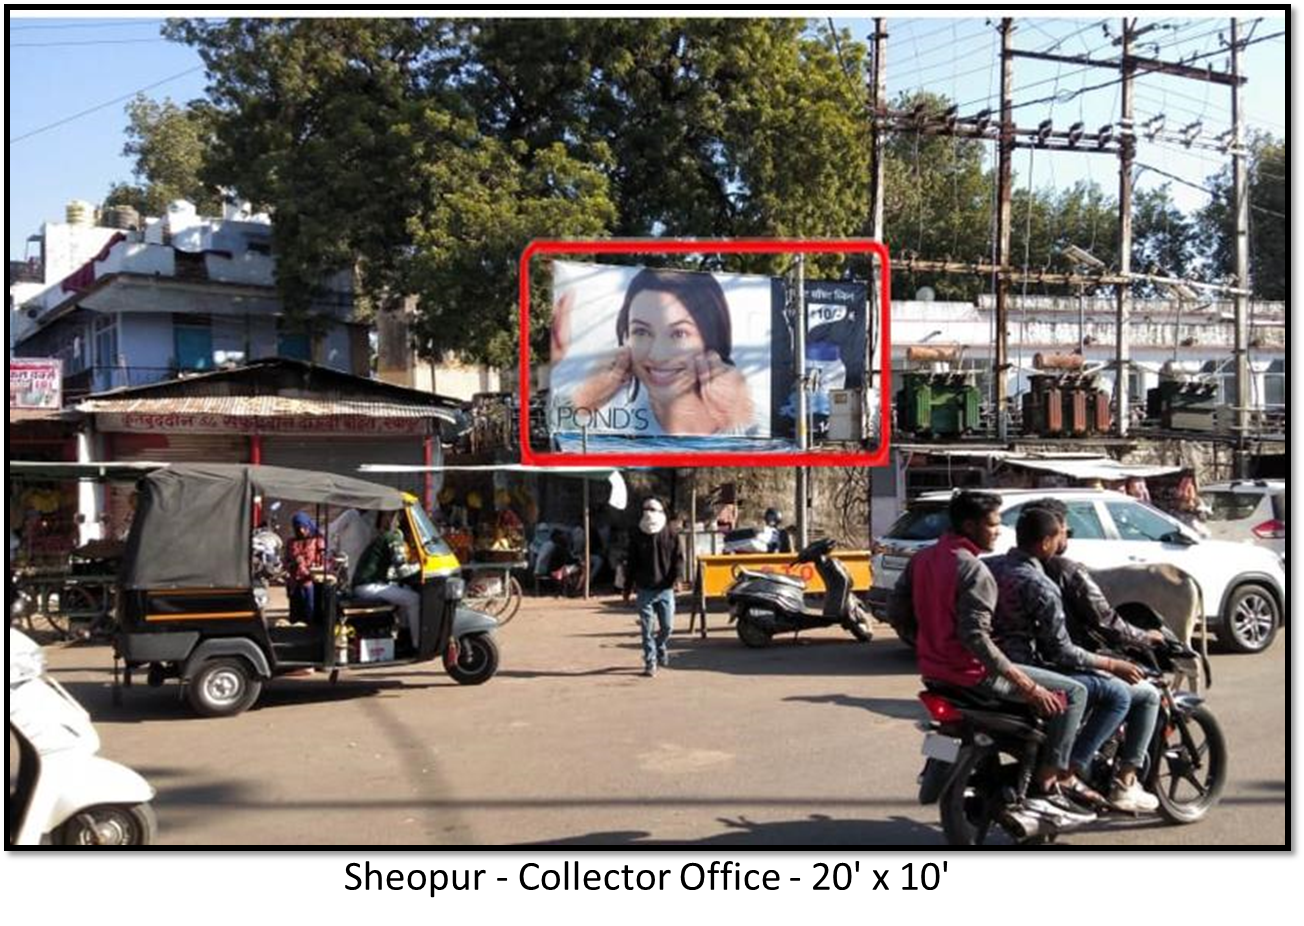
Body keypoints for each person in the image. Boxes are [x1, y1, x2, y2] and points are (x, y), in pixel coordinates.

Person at [888, 491, 1096, 827]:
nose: (998, 531)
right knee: (1074, 693)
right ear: (970, 525)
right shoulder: (974, 571)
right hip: (974, 678)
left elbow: (898, 613)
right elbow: (977, 639)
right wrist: (1027, 685)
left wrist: (930, 645)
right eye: (993, 524)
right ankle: (1050, 782)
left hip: (934, 675)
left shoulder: (922, 559)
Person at [986, 506, 1158, 813]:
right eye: (1061, 533)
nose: (1065, 538)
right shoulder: (1043, 583)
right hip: (1032, 668)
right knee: (1117, 694)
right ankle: (1068, 773)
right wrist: (1111, 663)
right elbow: (1063, 649)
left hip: (992, 663)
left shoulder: (991, 567)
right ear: (1045, 543)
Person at [552, 268, 756, 436]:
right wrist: (582, 400)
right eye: (641, 331)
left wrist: (741, 418)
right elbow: (553, 439)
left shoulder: (749, 416)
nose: (657, 355)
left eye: (679, 333)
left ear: (711, 340)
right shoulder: (614, 416)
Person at [622, 497, 683, 678]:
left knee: (667, 627)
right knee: (647, 629)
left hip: (665, 588)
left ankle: (659, 646)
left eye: (652, 509)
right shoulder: (637, 534)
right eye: (646, 509)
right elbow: (631, 563)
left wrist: (677, 579)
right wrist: (627, 588)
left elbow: (678, 560)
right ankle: (650, 662)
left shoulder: (671, 533)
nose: (648, 513)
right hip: (645, 589)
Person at [352, 511, 422, 650]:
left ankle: (404, 638)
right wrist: (422, 566)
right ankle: (417, 644)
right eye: (388, 515)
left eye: (392, 515)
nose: (390, 519)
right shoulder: (393, 537)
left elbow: (395, 571)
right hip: (368, 585)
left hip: (368, 584)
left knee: (406, 593)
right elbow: (402, 570)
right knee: (414, 599)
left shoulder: (387, 536)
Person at [283, 512, 325, 625]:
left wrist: (313, 568)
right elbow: (286, 561)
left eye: (303, 527)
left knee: (311, 611)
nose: (301, 531)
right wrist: (293, 564)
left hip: (311, 581)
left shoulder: (318, 540)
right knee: (296, 615)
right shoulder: (291, 542)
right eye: (298, 528)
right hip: (295, 583)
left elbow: (323, 560)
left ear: (308, 526)